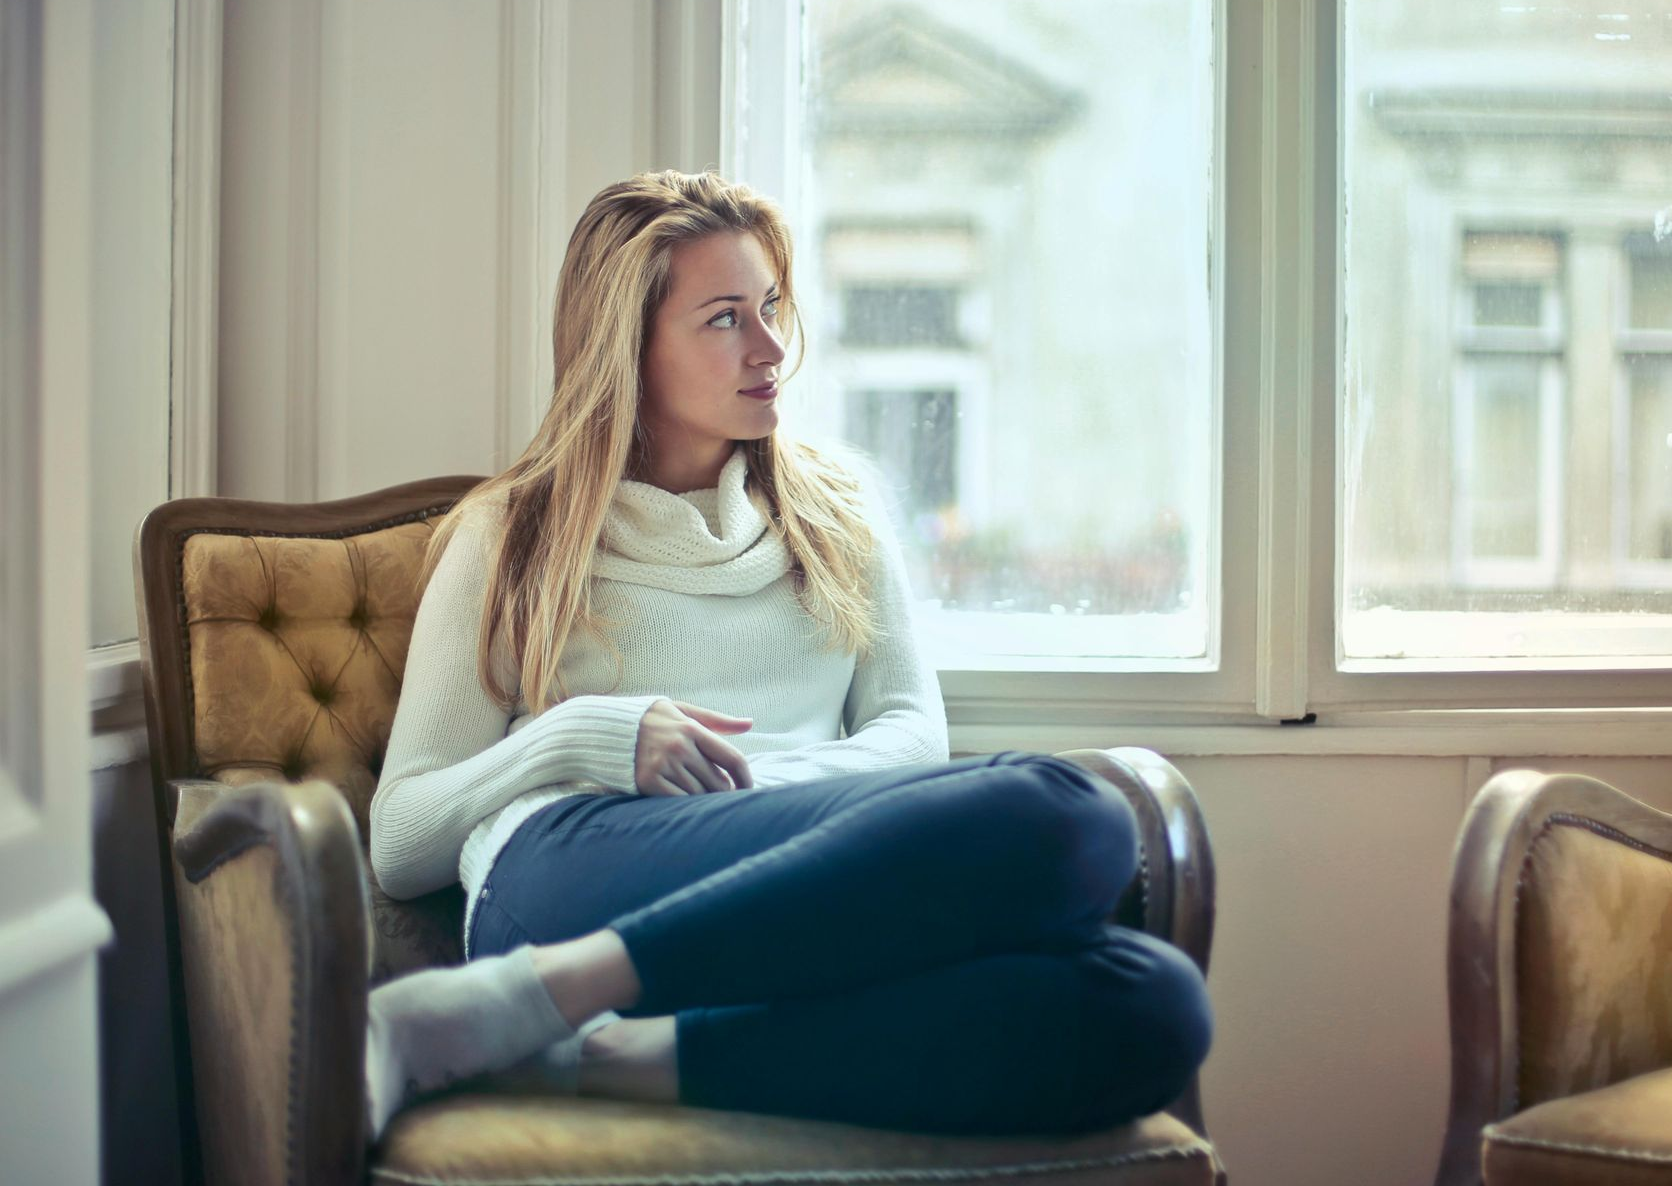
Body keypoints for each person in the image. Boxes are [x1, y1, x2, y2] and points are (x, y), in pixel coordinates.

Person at [364, 169, 1211, 1144]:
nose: (770, 348)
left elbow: (910, 734)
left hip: (800, 868)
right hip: (569, 869)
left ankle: (596, 1052)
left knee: (1151, 1003)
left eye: (770, 307)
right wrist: (583, 734)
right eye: (725, 318)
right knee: (1067, 812)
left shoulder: (837, 508)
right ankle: (540, 988)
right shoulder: (512, 534)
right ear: (624, 349)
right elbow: (401, 836)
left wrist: (760, 787)